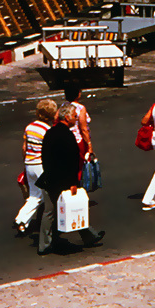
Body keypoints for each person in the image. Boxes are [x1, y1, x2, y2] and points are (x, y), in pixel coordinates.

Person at [38, 104, 104, 251]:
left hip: (49, 178)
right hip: (63, 181)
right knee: (75, 207)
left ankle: (44, 244)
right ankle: (89, 236)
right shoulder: (68, 136)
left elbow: (45, 157)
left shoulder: (50, 133)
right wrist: (72, 182)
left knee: (49, 212)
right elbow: (71, 162)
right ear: (67, 117)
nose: (75, 118)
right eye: (74, 116)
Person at [13, 102, 55, 235]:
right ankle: (23, 219)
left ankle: (22, 220)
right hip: (40, 165)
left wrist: (25, 163)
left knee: (34, 195)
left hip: (29, 164)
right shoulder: (47, 130)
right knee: (44, 195)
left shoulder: (29, 127)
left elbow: (24, 148)